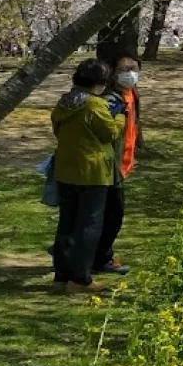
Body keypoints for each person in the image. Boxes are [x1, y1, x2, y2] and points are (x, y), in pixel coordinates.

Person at [50, 60, 123, 290]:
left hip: (66, 169)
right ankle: (81, 277)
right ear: (98, 83)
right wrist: (121, 117)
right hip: (92, 172)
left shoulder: (65, 101)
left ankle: (62, 273)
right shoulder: (94, 105)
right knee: (89, 224)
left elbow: (57, 129)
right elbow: (109, 133)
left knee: (67, 222)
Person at [94, 55, 143, 276]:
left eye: (133, 68)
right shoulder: (111, 101)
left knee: (109, 213)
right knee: (112, 214)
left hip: (122, 166)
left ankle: (96, 254)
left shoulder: (132, 95)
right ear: (114, 73)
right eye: (124, 69)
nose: (129, 73)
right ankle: (101, 258)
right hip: (109, 167)